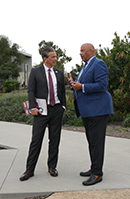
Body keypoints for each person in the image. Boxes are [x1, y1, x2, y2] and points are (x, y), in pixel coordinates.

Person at [67, 43, 114, 186]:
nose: (80, 53)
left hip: (98, 110)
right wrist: (73, 84)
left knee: (96, 142)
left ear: (91, 51)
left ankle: (97, 174)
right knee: (92, 142)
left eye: (82, 50)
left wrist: (82, 87)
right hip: (88, 111)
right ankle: (94, 168)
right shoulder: (86, 66)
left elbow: (102, 85)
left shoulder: (99, 64)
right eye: (80, 51)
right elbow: (82, 85)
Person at [20, 47, 66, 181]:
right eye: (52, 57)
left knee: (54, 139)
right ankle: (29, 169)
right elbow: (31, 91)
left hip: (56, 110)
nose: (55, 59)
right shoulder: (35, 72)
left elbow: (62, 91)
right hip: (40, 111)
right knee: (36, 140)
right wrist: (32, 107)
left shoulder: (59, 73)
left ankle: (52, 166)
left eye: (56, 57)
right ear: (45, 58)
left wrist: (63, 106)